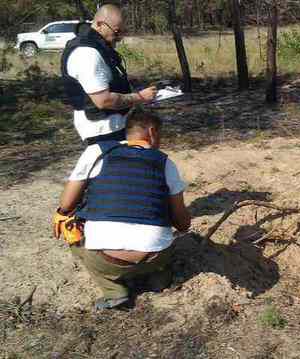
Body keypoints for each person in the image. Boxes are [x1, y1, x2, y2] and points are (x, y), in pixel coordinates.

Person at [52, 108, 191, 310]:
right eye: (160, 135)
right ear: (152, 132)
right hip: (154, 256)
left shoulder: (97, 152)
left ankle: (113, 291)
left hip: (107, 261)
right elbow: (183, 224)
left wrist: (63, 214)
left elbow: (66, 204)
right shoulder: (165, 163)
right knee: (163, 248)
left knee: (71, 228)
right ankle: (158, 277)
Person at [61, 4, 158, 145]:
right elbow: (103, 100)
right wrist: (140, 97)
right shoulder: (87, 53)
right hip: (101, 131)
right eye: (116, 32)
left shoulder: (101, 47)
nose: (119, 38)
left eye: (122, 32)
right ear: (100, 24)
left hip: (114, 127)